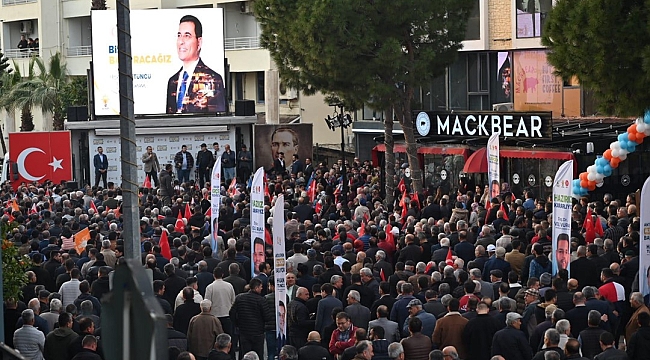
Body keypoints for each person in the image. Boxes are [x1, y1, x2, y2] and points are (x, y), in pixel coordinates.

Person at [166, 15, 225, 114]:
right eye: (179, 35)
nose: (181, 41)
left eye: (187, 36)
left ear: (199, 42)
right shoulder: (173, 81)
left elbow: (218, 124)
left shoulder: (212, 79)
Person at [230, 278, 274, 360]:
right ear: (256, 287)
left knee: (245, 354)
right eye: (261, 287)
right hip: (258, 332)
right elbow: (267, 317)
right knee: (258, 354)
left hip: (244, 332)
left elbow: (232, 313)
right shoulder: (261, 300)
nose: (262, 288)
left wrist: (237, 324)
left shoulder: (239, 298)